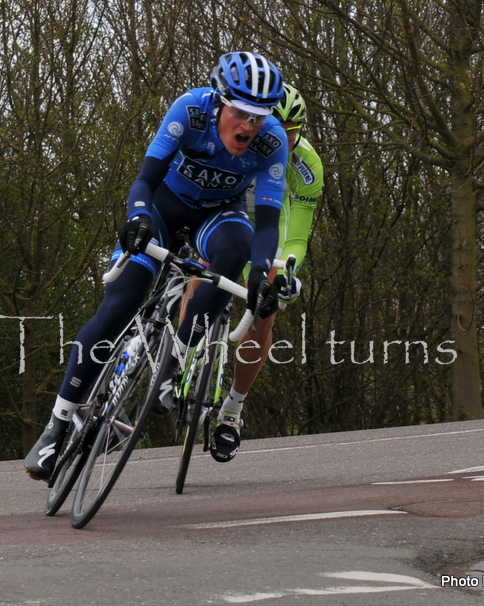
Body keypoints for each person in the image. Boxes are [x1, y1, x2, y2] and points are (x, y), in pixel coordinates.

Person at [25, 51, 288, 481]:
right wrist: (139, 217)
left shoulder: (272, 141)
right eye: (240, 113)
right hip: (162, 212)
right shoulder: (190, 109)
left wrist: (260, 273)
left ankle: (176, 359)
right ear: (220, 102)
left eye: (258, 118)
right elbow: (145, 180)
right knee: (118, 305)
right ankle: (59, 421)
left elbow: (268, 221)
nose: (248, 127)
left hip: (218, 217)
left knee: (238, 249)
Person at [209, 82, 324, 463]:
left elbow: (298, 234)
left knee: (264, 312)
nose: (281, 140)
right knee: (200, 275)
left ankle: (232, 411)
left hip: (269, 229)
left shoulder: (307, 166)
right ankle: (180, 358)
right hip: (225, 215)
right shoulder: (234, 141)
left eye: (291, 134)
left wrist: (289, 268)